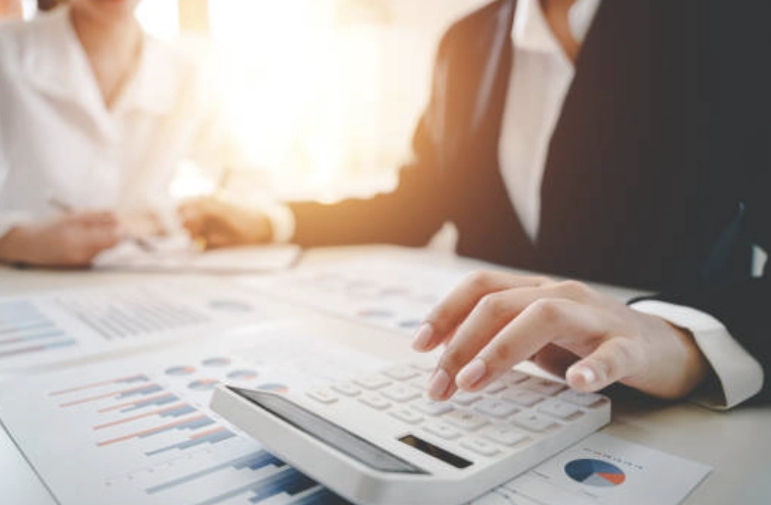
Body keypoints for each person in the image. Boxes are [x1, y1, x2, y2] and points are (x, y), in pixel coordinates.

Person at [178, 0, 770, 409]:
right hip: (493, 392)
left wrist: (685, 339)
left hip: (669, 409)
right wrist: (273, 219)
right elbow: (416, 204)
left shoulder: (732, 23)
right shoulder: (465, 41)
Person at [0, 0, 207, 267]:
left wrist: (184, 218)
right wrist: (23, 241)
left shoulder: (184, 71)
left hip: (150, 298)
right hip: (19, 301)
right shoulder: (5, 52)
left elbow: (246, 176)